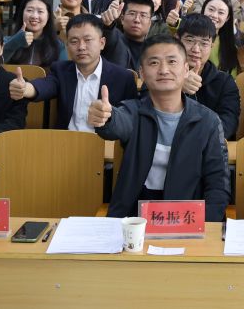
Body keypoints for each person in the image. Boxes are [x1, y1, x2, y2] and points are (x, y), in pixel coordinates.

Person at [90, 35, 230, 221]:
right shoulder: (133, 112)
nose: (164, 70)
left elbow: (218, 184)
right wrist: (106, 117)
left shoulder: (207, 121)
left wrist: (206, 225)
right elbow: (118, 123)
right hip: (135, 220)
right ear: (142, 72)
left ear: (186, 69)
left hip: (185, 219)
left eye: (172, 62)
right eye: (154, 63)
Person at [10, 14, 138, 131]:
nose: (81, 47)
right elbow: (46, 85)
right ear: (67, 45)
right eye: (74, 41)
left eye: (88, 40)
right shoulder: (61, 70)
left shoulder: (123, 78)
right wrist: (25, 88)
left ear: (102, 43)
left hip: (104, 143)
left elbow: (130, 120)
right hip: (66, 141)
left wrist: (111, 117)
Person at [175, 14, 241, 140]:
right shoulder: (162, 73)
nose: (196, 49)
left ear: (212, 46)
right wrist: (176, 87)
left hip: (207, 146)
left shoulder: (225, 82)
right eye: (189, 40)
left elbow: (228, 124)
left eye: (204, 43)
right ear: (177, 40)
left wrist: (195, 138)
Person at [3, 0, 68, 69]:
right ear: (22, 13)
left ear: (48, 16)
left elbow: (63, 72)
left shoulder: (58, 46)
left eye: (40, 11)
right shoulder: (7, 41)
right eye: (30, 10)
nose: (34, 16)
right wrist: (15, 42)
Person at [100, 0, 155, 70]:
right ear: (122, 18)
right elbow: (109, 34)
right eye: (132, 13)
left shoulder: (154, 49)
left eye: (143, 15)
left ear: (150, 23)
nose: (137, 20)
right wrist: (108, 24)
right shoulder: (115, 40)